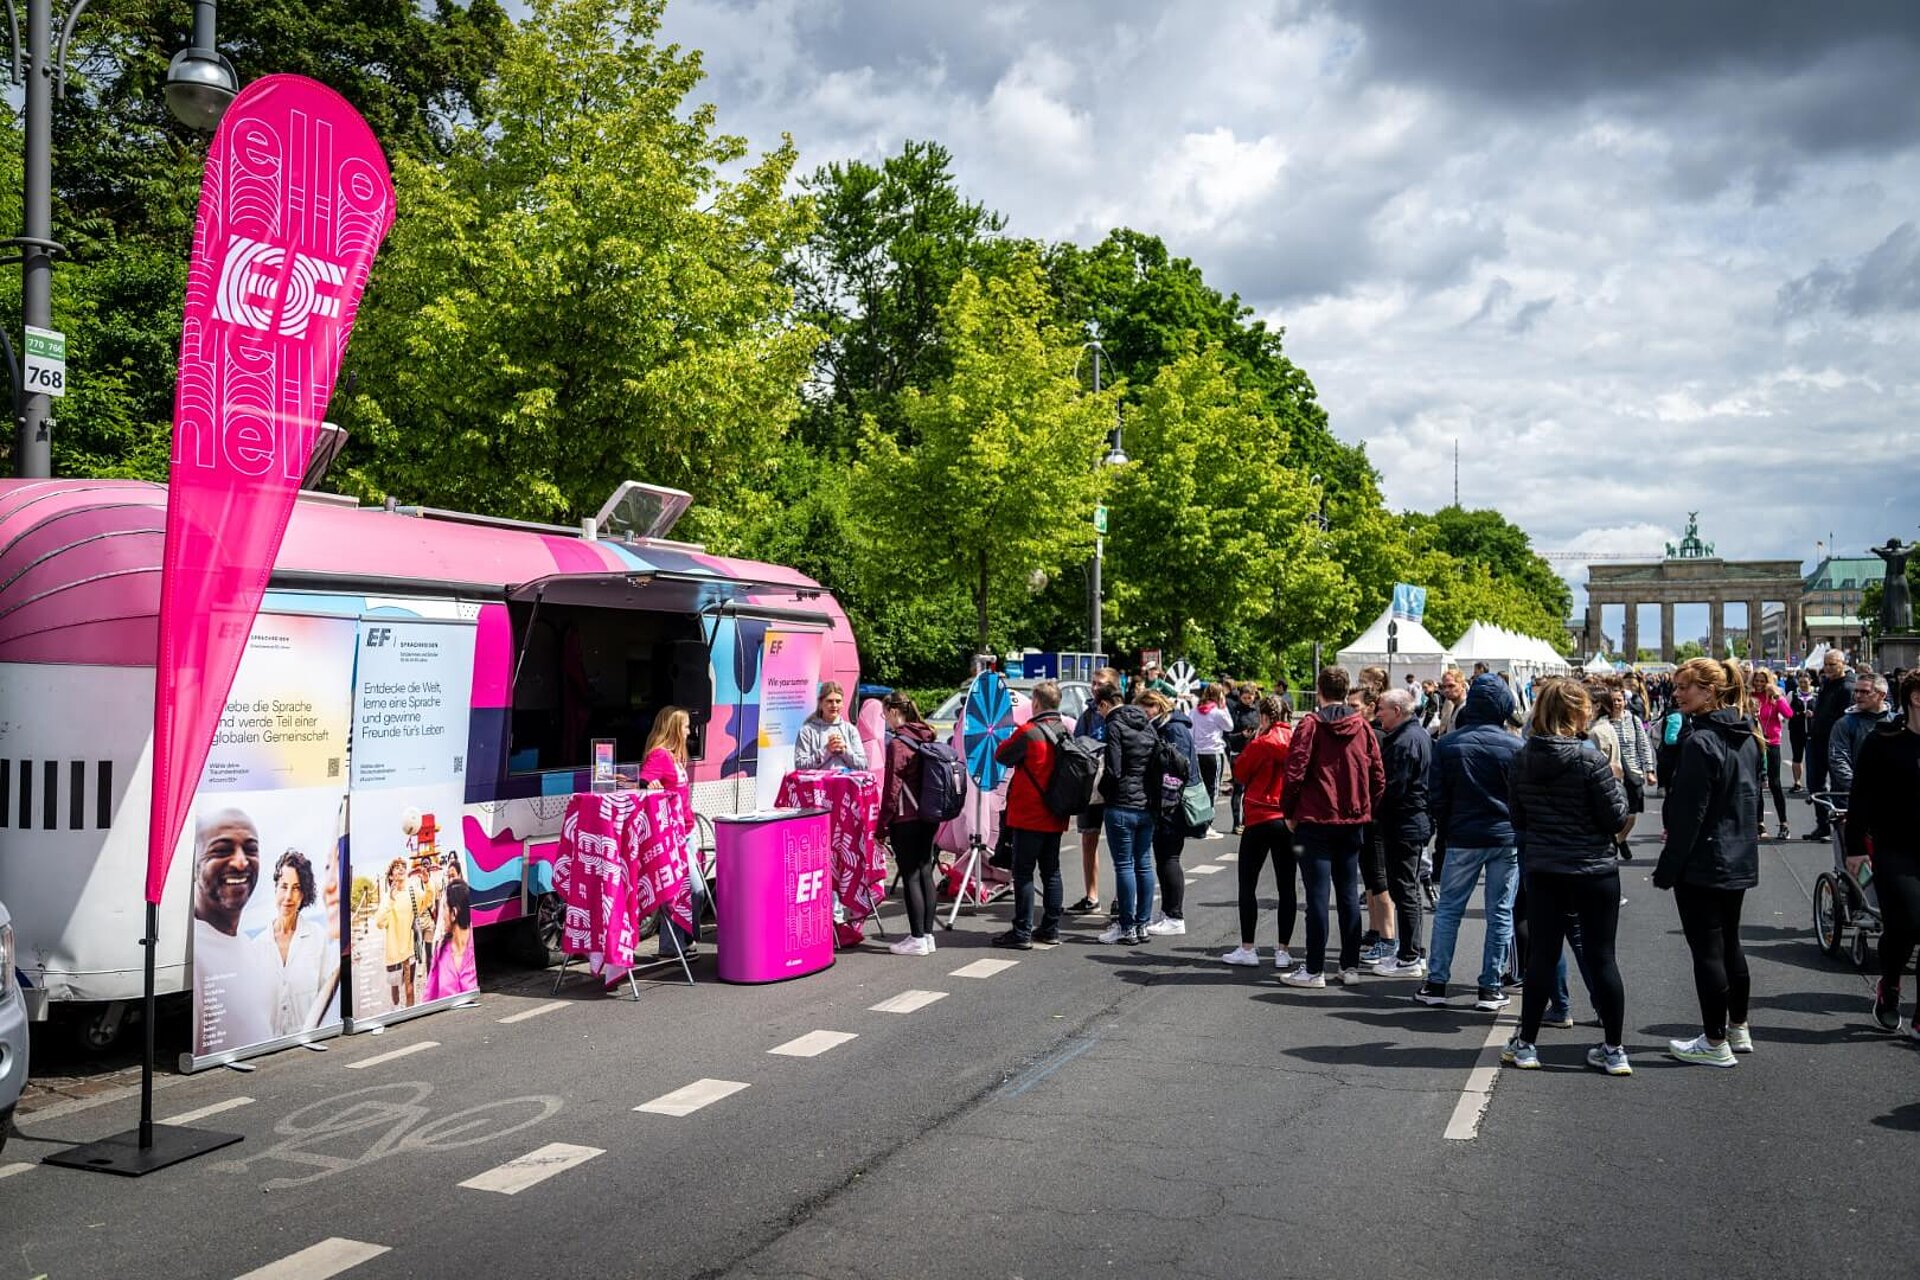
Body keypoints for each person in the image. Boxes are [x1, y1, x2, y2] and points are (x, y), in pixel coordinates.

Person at [1502, 681, 1633, 1075]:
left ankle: (1526, 1043)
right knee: (1602, 957)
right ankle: (1613, 1048)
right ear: (1579, 712)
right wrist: (1617, 785)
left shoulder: (1522, 759)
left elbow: (1518, 818)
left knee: (1542, 956)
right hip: (1593, 867)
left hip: (1545, 866)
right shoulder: (1590, 759)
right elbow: (1615, 817)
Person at [1654, 657, 1763, 1068]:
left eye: (1685, 687)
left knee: (1708, 952)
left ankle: (1715, 1041)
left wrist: (1668, 868)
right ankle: (1738, 1027)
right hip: (1739, 853)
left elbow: (1688, 814)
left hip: (1705, 858)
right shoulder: (1747, 734)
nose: (1677, 693)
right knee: (1730, 943)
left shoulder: (1700, 742)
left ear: (1709, 691)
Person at [1417, 673, 1523, 1011]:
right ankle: (1490, 987)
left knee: (1449, 910)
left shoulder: (1448, 745)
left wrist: (1448, 826)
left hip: (1463, 835)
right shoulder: (1516, 747)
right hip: (1505, 836)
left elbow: (1436, 796)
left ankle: (1436, 982)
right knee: (1500, 912)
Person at [1277, 667, 1384, 988]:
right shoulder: (1362, 726)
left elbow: (1294, 771)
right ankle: (1349, 966)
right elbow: (1378, 775)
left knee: (1318, 897)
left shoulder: (1311, 724)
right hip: (1352, 819)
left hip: (1316, 818)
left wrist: (1289, 811)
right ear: (1346, 690)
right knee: (1349, 894)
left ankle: (1314, 969)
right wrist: (1366, 808)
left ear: (1319, 690)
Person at [1851, 669, 1920, 1038]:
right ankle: (1889, 984)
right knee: (1907, 924)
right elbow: (1860, 796)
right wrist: (1854, 848)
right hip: (1895, 847)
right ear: (1916, 698)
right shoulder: (1883, 741)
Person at [991, 680, 1071, 950]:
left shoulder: (1029, 732)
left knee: (1024, 873)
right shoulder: (1064, 731)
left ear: (1036, 702)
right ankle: (1050, 928)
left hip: (1029, 814)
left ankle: (1022, 931)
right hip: (1056, 812)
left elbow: (1002, 755)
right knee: (1052, 872)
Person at [190, 809, 277, 1055]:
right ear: (194, 863)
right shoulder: (191, 953)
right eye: (221, 850)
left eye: (251, 849)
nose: (241, 862)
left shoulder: (252, 950)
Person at [1221, 695, 1296, 968]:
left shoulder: (1261, 742)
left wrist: (1254, 740)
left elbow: (1240, 772)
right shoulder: (1295, 741)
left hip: (1259, 815)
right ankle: (1283, 951)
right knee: (1287, 886)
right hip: (1286, 817)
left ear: (1263, 716)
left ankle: (1248, 948)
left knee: (1248, 884)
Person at [1369, 688, 1432, 978]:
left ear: (1396, 711)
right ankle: (1411, 951)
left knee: (1405, 889)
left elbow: (1394, 788)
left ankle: (1409, 956)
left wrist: (1372, 806)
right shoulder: (1415, 735)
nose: (1377, 714)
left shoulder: (1405, 741)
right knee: (1406, 888)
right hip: (1409, 822)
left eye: (1381, 708)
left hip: (1403, 824)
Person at [639, 706, 708, 957]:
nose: (690, 731)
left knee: (685, 891)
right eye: (686, 726)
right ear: (674, 728)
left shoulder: (675, 756)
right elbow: (644, 781)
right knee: (693, 890)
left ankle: (677, 943)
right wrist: (649, 785)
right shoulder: (660, 755)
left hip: (686, 833)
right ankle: (677, 943)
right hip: (673, 837)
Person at [877, 693, 941, 956]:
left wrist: (881, 826)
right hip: (929, 815)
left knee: (910, 875)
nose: (885, 719)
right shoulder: (927, 735)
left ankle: (916, 938)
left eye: (885, 714)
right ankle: (928, 935)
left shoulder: (898, 744)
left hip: (906, 817)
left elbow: (892, 789)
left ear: (894, 711)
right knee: (926, 872)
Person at [1098, 686, 1159, 945]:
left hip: (1121, 805)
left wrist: (1103, 792)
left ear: (1104, 704)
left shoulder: (1114, 726)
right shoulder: (1147, 725)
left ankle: (1126, 926)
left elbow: (1113, 770)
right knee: (1144, 864)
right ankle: (1142, 924)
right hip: (1147, 805)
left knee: (1124, 865)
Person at [1144, 689, 1201, 935]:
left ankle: (1174, 916)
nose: (1144, 714)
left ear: (1157, 706)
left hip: (1172, 803)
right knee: (1164, 858)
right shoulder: (1168, 726)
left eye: (1146, 708)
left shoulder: (1173, 728)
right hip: (1169, 802)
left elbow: (1177, 767)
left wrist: (1166, 801)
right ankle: (1167, 912)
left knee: (1169, 858)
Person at [266, 849, 340, 1037]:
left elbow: (326, 998)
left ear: (303, 895)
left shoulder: (318, 937)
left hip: (308, 1044)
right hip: (268, 1049)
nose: (288, 896)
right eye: (284, 886)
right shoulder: (257, 947)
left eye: (296, 888)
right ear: (275, 888)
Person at [1068, 668, 1121, 915]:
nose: (1094, 687)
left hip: (1114, 785)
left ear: (1113, 687)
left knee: (1120, 843)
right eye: (1093, 683)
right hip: (1091, 784)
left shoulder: (1123, 713)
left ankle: (1121, 897)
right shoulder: (1088, 714)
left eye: (1100, 683)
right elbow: (1077, 744)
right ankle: (1091, 896)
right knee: (1088, 839)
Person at [1804, 650, 1854, 839]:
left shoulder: (1847, 687)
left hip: (1835, 744)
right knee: (1815, 785)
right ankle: (1823, 825)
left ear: (1843, 663)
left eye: (1832, 664)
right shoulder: (1826, 682)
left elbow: (1844, 719)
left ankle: (1841, 831)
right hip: (1817, 741)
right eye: (1825, 664)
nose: (1828, 668)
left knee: (1838, 787)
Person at [1829, 671, 1894, 797]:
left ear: (1882, 695)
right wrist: (1857, 787)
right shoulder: (1845, 724)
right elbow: (1838, 759)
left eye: (1865, 692)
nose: (1858, 695)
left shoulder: (1896, 721)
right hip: (1856, 796)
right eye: (1856, 691)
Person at [1606, 686, 1653, 858]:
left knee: (1631, 815)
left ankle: (1620, 839)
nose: (1616, 703)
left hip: (1634, 773)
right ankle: (1612, 844)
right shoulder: (1603, 723)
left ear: (1625, 702)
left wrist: (1649, 769)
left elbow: (1643, 745)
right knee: (1613, 812)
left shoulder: (1633, 720)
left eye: (1619, 700)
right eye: (1613, 701)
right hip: (1612, 774)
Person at [1750, 668, 1793, 840]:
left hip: (1772, 743)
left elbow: (1789, 714)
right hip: (1754, 743)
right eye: (1757, 680)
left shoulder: (1774, 697)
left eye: (1762, 681)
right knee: (1757, 784)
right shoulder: (1750, 696)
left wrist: (1777, 698)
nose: (1759, 684)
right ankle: (1759, 823)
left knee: (1775, 784)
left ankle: (1784, 823)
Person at [1191, 683, 1235, 841]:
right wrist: (1224, 707)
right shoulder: (1217, 712)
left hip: (1198, 753)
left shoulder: (1195, 711)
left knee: (1200, 789)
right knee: (1212, 789)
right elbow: (1229, 727)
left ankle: (1197, 823)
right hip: (1213, 753)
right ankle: (1207, 825)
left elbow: (1190, 729)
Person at [422, 879, 477, 1002]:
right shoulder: (441, 950)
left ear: (454, 913)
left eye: (444, 908)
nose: (442, 916)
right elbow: (428, 996)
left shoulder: (475, 947)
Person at [796, 681, 868, 771]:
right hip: (818, 780)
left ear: (842, 704)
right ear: (820, 704)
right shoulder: (807, 731)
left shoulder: (851, 730)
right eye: (829, 701)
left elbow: (863, 766)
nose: (834, 705)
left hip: (845, 780)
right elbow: (800, 766)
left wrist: (844, 751)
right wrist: (826, 751)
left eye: (838, 701)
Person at [1226, 682, 1262, 835]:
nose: (1248, 700)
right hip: (1238, 753)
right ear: (1240, 697)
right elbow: (1228, 736)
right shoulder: (1234, 710)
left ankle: (1248, 821)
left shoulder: (1257, 710)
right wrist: (1242, 735)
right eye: (1245, 698)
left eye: (1250, 698)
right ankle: (1236, 823)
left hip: (1253, 753)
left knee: (1251, 790)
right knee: (1238, 789)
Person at [1787, 672, 1817, 792]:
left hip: (1812, 732)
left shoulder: (1817, 694)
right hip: (1796, 731)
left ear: (1810, 681)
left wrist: (1814, 714)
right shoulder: (1792, 694)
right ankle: (1797, 782)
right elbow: (1787, 712)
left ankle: (1813, 784)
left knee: (1812, 759)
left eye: (1805, 682)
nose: (1803, 684)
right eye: (1800, 682)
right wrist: (1800, 714)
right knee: (1797, 757)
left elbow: (1822, 712)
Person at [1434, 667, 1466, 737]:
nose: (1446, 690)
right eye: (1444, 687)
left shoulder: (1466, 710)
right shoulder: (1453, 705)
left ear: (1463, 686)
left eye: (1451, 686)